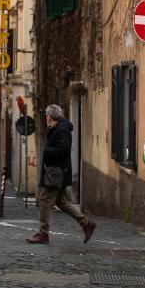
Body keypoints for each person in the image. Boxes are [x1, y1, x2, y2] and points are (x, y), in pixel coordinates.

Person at [27, 104, 96, 245]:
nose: (45, 117)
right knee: (62, 202)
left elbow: (64, 150)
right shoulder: (57, 129)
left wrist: (47, 151)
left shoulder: (61, 130)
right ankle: (86, 223)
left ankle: (43, 234)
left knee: (44, 200)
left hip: (56, 172)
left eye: (46, 115)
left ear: (50, 116)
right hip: (56, 171)